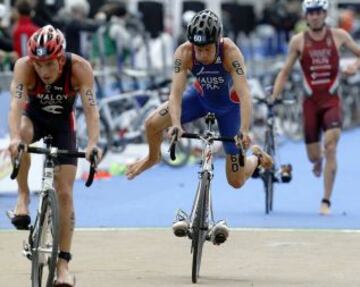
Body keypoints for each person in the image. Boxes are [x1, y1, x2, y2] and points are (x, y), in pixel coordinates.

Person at [125, 9, 273, 244]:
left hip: (229, 109)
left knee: (235, 181)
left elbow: (245, 95)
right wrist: (175, 124)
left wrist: (244, 130)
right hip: (198, 98)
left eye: (207, 49)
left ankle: (254, 157)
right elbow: (175, 94)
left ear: (217, 42)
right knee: (151, 123)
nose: (202, 54)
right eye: (198, 49)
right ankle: (152, 158)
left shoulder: (230, 52)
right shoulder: (184, 52)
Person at [7, 25, 101, 286]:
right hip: (34, 119)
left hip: (63, 126)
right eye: (38, 64)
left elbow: (92, 110)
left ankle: (63, 267)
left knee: (65, 193)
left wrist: (93, 143)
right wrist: (15, 138)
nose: (43, 71)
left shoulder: (80, 68)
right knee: (22, 136)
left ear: (60, 58)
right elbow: (15, 107)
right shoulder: (24, 67)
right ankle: (23, 195)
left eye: (49, 64)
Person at [271, 0, 360, 215]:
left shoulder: (339, 36)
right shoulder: (298, 41)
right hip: (310, 103)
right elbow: (285, 71)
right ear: (306, 15)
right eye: (311, 13)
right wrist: (274, 95)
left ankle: (326, 200)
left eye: (319, 12)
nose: (315, 16)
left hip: (331, 101)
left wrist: (354, 67)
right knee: (313, 156)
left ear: (325, 14)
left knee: (331, 145)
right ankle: (317, 160)